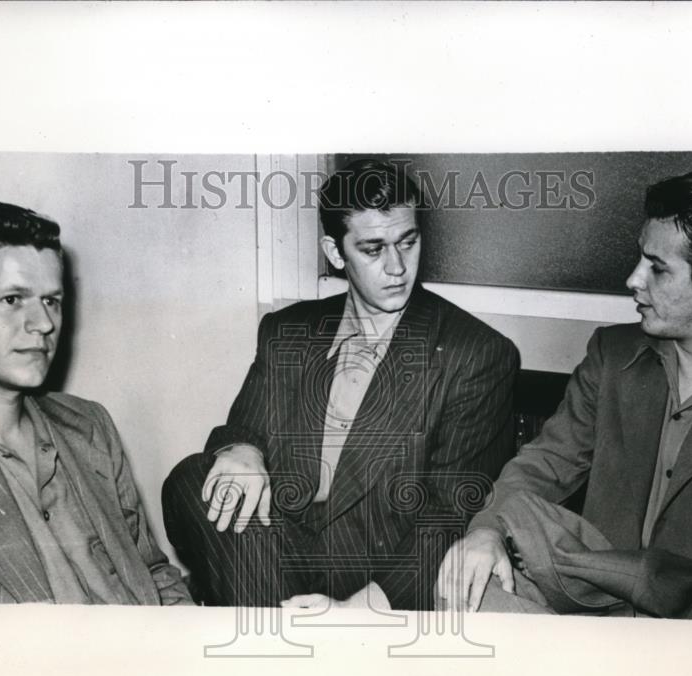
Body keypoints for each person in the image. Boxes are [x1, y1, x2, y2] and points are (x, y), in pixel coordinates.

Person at [437, 168, 692, 622]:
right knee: (465, 588)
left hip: (684, 645)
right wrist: (486, 530)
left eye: (657, 268)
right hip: (578, 610)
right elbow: (545, 463)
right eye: (640, 260)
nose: (633, 279)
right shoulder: (612, 356)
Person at [163, 159, 520, 610]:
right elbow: (245, 429)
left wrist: (359, 610)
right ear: (335, 253)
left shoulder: (476, 352)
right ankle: (287, 641)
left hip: (374, 573)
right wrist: (243, 451)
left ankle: (282, 650)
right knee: (195, 477)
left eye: (407, 243)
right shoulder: (286, 331)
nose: (397, 267)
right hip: (272, 552)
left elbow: (450, 512)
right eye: (373, 249)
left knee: (242, 564)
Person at [0, 201, 191, 605]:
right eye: (13, 300)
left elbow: (153, 573)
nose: (44, 324)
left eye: (51, 301)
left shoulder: (89, 425)